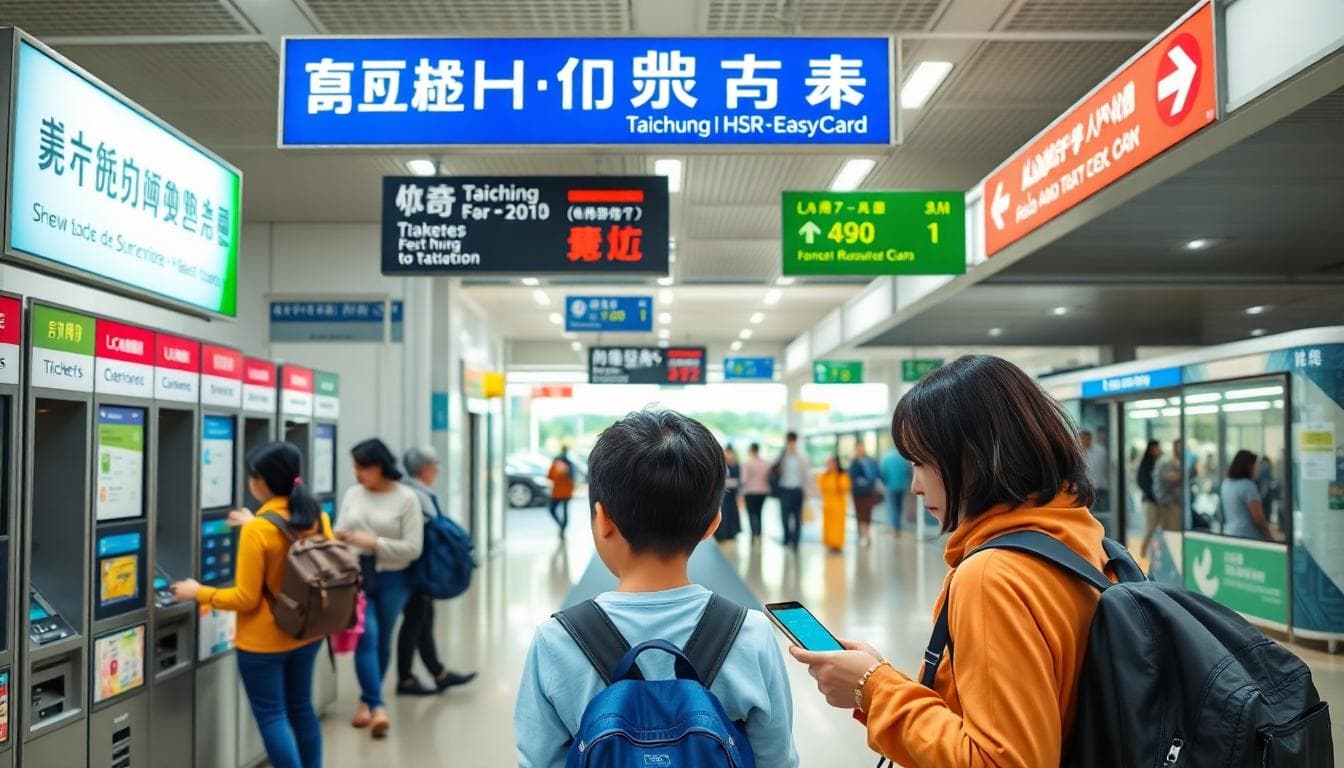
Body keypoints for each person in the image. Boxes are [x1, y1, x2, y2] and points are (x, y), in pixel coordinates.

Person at [789, 354, 1105, 767]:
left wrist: (874, 687)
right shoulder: (1083, 540)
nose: (916, 486)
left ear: (975, 458)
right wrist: (888, 679)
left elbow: (1000, 761)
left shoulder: (993, 576)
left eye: (922, 463)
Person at [515, 409, 799, 767]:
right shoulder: (751, 634)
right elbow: (776, 760)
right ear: (714, 523)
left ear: (602, 519)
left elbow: (539, 761)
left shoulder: (555, 641)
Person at [171, 442, 329, 768]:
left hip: (264, 643)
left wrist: (198, 591)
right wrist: (254, 521)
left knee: (272, 717)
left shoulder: (258, 531)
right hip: (307, 632)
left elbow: (245, 598)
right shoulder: (316, 516)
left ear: (262, 482)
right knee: (302, 709)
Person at [335, 438, 423, 739]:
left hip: (394, 578)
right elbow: (341, 529)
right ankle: (377, 706)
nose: (357, 473)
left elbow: (413, 548)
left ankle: (365, 701)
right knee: (365, 636)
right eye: (355, 467)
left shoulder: (407, 498)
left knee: (382, 638)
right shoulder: (353, 494)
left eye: (362, 467)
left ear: (380, 466)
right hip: (357, 575)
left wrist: (373, 542)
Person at [396, 445, 477, 696]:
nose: (438, 469)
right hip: (418, 571)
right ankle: (407, 679)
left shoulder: (419, 492)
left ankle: (438, 673)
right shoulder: (415, 495)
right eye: (435, 464)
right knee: (415, 622)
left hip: (420, 570)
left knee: (422, 620)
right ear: (425, 468)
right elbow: (428, 536)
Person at [1222, 450, 1274, 540]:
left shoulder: (1226, 483)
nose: (1258, 469)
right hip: (1248, 537)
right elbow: (1259, 519)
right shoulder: (1248, 486)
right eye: (1256, 465)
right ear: (1249, 466)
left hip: (1230, 533)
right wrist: (1270, 537)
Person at [775, 432, 812, 549]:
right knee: (784, 516)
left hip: (797, 490)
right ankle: (786, 538)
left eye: (793, 442)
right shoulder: (782, 456)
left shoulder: (802, 457)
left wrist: (807, 492)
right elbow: (773, 468)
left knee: (797, 517)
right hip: (785, 490)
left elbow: (807, 476)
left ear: (796, 442)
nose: (791, 444)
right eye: (789, 442)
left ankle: (796, 540)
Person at [1149, 438, 1188, 547]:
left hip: (1175, 502)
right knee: (1171, 533)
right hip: (1168, 503)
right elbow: (1169, 478)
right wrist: (1184, 474)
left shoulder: (1178, 462)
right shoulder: (1167, 462)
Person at [848, 442, 880, 546]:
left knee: (867, 513)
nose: (860, 450)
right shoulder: (853, 463)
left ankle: (866, 535)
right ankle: (863, 535)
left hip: (868, 492)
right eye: (858, 449)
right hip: (857, 493)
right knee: (860, 514)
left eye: (861, 448)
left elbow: (876, 474)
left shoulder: (870, 461)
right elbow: (850, 476)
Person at [819, 455, 852, 552]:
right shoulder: (825, 475)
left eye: (831, 462)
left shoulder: (842, 475)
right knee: (828, 526)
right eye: (828, 463)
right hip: (828, 505)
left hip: (839, 506)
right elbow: (821, 486)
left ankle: (838, 544)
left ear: (836, 463)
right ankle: (829, 544)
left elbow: (845, 487)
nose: (829, 465)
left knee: (838, 527)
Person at [880, 440, 912, 535]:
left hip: (890, 486)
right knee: (899, 506)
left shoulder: (887, 457)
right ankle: (898, 525)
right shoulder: (904, 457)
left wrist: (885, 483)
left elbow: (883, 473)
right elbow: (908, 472)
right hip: (902, 486)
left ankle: (894, 526)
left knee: (892, 506)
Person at [740, 443, 771, 540]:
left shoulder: (747, 463)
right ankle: (759, 534)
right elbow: (769, 477)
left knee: (751, 513)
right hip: (763, 491)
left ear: (750, 450)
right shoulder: (765, 463)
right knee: (759, 512)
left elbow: (744, 479)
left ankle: (754, 533)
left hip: (750, 491)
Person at [1135, 440, 1161, 544]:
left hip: (1158, 501)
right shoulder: (1146, 464)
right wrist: (1153, 495)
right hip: (1150, 501)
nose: (1159, 450)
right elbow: (1142, 482)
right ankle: (1143, 554)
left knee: (1156, 529)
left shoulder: (1159, 462)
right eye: (1156, 448)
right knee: (1150, 528)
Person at [715, 444, 743, 541]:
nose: (729, 455)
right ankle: (722, 534)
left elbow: (739, 480)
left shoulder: (736, 465)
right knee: (723, 512)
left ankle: (732, 533)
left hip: (732, 494)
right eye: (727, 452)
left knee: (732, 512)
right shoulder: (721, 464)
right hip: (723, 494)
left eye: (731, 453)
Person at [547, 447, 576, 536]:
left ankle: (561, 527)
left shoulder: (556, 462)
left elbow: (549, 476)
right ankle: (562, 527)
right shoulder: (569, 464)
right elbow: (573, 479)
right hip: (566, 492)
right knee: (564, 512)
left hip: (558, 493)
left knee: (553, 510)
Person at [1080, 429, 1110, 510]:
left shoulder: (1101, 451)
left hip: (1101, 488)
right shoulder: (1078, 453)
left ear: (1090, 439)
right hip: (1085, 490)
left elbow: (1108, 468)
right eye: (1082, 438)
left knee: (1102, 511)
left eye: (1086, 438)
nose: (1084, 440)